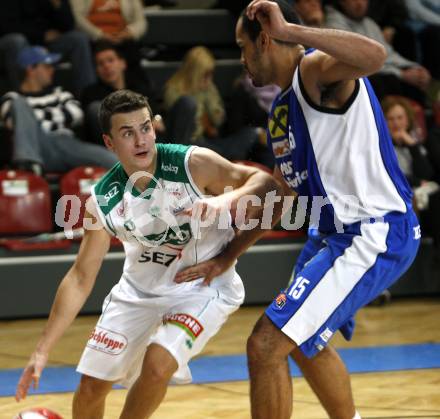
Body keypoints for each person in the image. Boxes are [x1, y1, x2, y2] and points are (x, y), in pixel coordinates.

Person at [15, 89, 282, 418]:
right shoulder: (103, 199)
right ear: (110, 143)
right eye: (127, 133)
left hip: (199, 289)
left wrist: (224, 213)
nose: (141, 140)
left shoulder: (192, 163)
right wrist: (42, 351)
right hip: (137, 291)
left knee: (157, 365)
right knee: (90, 388)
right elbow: (81, 277)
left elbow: (268, 187)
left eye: (145, 128)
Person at [228, 1, 419, 418]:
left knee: (266, 344)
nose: (242, 60)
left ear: (264, 39)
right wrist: (226, 256)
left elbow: (376, 57)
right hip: (331, 234)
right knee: (298, 341)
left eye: (244, 47)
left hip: (373, 230)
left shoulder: (314, 71)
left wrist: (291, 31)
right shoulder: (280, 111)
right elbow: (284, 196)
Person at [0, 46, 117, 174]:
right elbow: (13, 123)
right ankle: (28, 168)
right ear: (31, 69)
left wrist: (34, 119)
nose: (52, 70)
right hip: (39, 145)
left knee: (114, 160)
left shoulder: (60, 93)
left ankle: (138, 188)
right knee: (19, 104)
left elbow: (77, 115)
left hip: (69, 144)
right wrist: (54, 117)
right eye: (47, 66)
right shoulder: (13, 98)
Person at [164, 45, 266, 162]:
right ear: (195, 72)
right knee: (224, 151)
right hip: (185, 143)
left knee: (242, 139)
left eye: (210, 74)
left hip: (204, 141)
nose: (209, 79)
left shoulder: (208, 88)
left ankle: (254, 134)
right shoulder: (174, 89)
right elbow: (185, 127)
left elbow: (218, 119)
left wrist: (208, 96)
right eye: (205, 74)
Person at [325, 0, 431, 105]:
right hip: (355, 75)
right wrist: (401, 74)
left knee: (417, 79)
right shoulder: (334, 23)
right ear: (342, 2)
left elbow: (388, 54)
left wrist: (414, 67)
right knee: (387, 80)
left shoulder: (369, 23)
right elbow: (362, 61)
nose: (359, 3)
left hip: (381, 69)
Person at [0, 0, 96, 95]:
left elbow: (69, 25)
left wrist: (58, 5)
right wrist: (42, 35)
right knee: (16, 40)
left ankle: (89, 97)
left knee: (78, 39)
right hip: (20, 42)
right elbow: (7, 26)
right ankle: (22, 98)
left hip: (48, 44)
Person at [81, 41, 161, 144]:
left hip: (150, 137)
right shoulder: (91, 93)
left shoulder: (139, 86)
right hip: (115, 147)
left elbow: (157, 109)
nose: (106, 66)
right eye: (100, 63)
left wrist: (157, 118)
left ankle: (177, 157)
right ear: (96, 70)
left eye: (110, 60)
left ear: (123, 64)